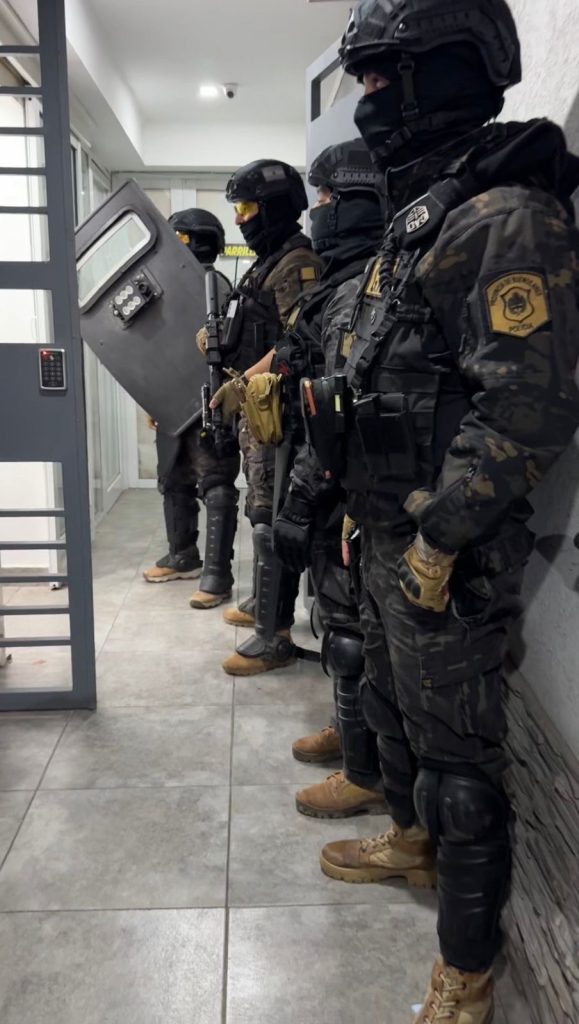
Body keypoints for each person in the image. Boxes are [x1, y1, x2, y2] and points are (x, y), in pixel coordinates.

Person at [307, 2, 579, 1022]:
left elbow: (528, 404)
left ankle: (467, 974)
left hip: (447, 550)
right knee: (391, 713)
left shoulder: (506, 216)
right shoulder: (424, 215)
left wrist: (440, 534)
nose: (369, 101)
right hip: (386, 526)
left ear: (448, 71)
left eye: (385, 78)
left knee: (462, 770)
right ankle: (410, 843)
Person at [272, 139, 387, 819]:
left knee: (348, 630)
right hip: (332, 479)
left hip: (344, 485)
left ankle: (363, 772)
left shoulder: (359, 288)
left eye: (323, 199)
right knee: (337, 621)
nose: (316, 212)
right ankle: (350, 733)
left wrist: (302, 498)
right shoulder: (343, 282)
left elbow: (333, 407)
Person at [202, 159, 322, 671]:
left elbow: (300, 340)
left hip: (279, 415)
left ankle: (274, 636)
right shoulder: (268, 261)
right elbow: (256, 324)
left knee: (271, 519)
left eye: (247, 207)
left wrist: (241, 382)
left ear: (273, 207)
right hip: (258, 412)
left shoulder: (296, 262)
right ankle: (262, 604)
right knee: (259, 511)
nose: (239, 219)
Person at [143, 209, 240, 600]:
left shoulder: (216, 287)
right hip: (171, 403)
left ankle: (217, 576)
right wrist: (153, 399)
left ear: (194, 241)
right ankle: (182, 556)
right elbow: (154, 347)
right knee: (173, 479)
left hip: (209, 401)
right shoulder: (164, 285)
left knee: (216, 485)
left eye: (178, 237)